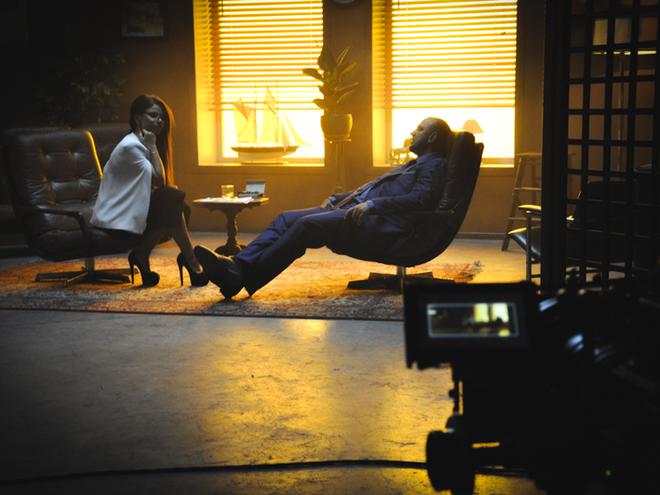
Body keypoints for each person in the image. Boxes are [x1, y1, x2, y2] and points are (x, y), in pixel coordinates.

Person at [194, 117, 452, 299]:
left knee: (306, 226)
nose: (412, 132)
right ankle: (238, 266)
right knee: (285, 218)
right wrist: (337, 197)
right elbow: (371, 188)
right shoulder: (415, 163)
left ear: (432, 137)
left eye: (419, 129)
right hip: (353, 209)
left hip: (378, 222)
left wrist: (373, 205)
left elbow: (422, 200)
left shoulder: (434, 164)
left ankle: (241, 277)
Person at [91, 94, 206, 287]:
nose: (159, 121)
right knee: (171, 198)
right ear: (138, 118)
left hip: (128, 215)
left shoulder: (140, 144)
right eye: (153, 115)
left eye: (162, 117)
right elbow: (159, 180)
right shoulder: (131, 147)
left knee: (177, 205)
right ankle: (190, 260)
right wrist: (153, 147)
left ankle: (144, 255)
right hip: (116, 222)